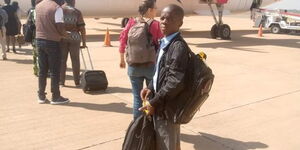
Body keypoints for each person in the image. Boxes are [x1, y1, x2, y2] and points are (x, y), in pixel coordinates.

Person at [140, 4, 188, 150]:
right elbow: (160, 72)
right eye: (162, 18)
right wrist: (149, 87)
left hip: (167, 108)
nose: (164, 22)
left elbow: (175, 81)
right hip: (160, 103)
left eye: (170, 19)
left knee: (167, 145)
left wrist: (153, 102)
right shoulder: (165, 42)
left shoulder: (178, 47)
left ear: (180, 23)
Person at [119, 0, 163, 120]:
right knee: (152, 96)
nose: (156, 10)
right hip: (150, 65)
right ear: (149, 10)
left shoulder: (131, 22)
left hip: (133, 65)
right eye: (155, 8)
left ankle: (137, 125)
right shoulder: (156, 24)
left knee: (137, 98)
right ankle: (152, 123)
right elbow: (162, 45)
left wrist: (122, 59)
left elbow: (123, 40)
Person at [35, 0, 70, 104]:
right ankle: (55, 97)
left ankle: (41, 96)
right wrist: (65, 34)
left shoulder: (39, 6)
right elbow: (59, 27)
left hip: (39, 40)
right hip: (52, 42)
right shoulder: (56, 8)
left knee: (42, 70)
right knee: (55, 71)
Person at [60, 0, 86, 87]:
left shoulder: (59, 10)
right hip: (75, 38)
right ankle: (77, 81)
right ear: (73, 1)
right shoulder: (77, 12)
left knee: (62, 60)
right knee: (75, 60)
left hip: (62, 37)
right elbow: (82, 28)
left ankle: (61, 81)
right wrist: (84, 42)